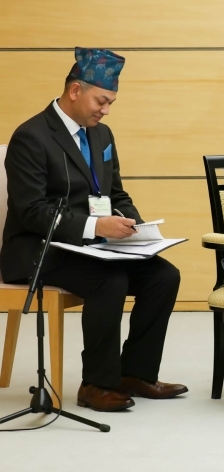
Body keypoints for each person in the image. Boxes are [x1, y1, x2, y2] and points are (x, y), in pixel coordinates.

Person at [1, 48, 186, 412]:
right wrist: (95, 225)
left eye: (111, 103)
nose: (105, 110)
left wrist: (137, 227)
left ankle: (134, 373)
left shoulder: (101, 135)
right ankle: (96, 384)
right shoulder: (31, 137)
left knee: (164, 276)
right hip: (37, 249)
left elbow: (115, 192)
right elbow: (32, 211)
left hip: (91, 247)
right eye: (101, 101)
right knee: (110, 280)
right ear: (75, 91)